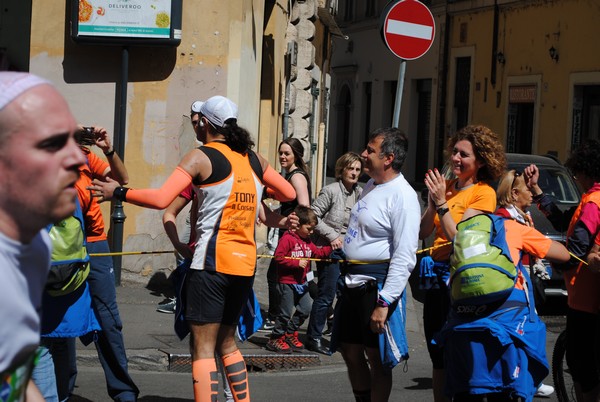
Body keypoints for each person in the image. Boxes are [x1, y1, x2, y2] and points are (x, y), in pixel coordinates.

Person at [89, 95, 296, 402]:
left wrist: (118, 190)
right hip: (245, 265)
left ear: (208, 124)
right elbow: (288, 191)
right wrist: (255, 191)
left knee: (202, 347)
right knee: (227, 342)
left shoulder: (201, 157)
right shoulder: (253, 159)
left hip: (211, 264)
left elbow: (162, 200)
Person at [0, 72, 86, 401]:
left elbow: (14, 377)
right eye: (52, 143)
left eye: (74, 139)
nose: (78, 158)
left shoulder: (35, 247)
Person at [434, 210, 570, 401]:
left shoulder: (463, 234)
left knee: (468, 390)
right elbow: (563, 255)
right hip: (506, 322)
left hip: (464, 324)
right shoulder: (512, 227)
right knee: (506, 390)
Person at [330, 127, 420, 402]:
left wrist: (385, 302)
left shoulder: (403, 197)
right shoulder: (371, 185)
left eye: (371, 150)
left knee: (377, 358)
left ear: (389, 158)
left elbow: (405, 256)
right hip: (350, 281)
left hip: (376, 285)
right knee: (349, 350)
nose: (364, 154)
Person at [419, 124, 506, 402]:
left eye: (464, 154)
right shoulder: (445, 188)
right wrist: (433, 204)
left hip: (462, 280)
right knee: (437, 353)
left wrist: (442, 204)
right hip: (435, 277)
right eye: (454, 152)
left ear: (480, 161)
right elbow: (422, 232)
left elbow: (461, 239)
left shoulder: (484, 193)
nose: (456, 158)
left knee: (458, 350)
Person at [525, 140, 600, 402]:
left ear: (585, 170)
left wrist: (546, 253)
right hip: (588, 299)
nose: (576, 178)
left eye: (577, 172)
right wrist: (536, 190)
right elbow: (567, 220)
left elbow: (575, 251)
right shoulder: (593, 199)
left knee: (584, 371)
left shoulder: (594, 202)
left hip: (586, 302)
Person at [73, 125, 139, 402]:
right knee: (62, 321)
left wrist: (107, 149)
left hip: (95, 244)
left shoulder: (86, 156)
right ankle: (60, 388)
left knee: (108, 319)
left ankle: (123, 390)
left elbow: (122, 179)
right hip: (61, 248)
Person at [495, 169, 555, 398]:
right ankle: (522, 378)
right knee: (522, 331)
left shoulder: (521, 214)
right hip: (513, 284)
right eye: (527, 189)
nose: (531, 192)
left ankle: (527, 376)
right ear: (514, 193)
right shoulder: (506, 217)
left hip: (524, 279)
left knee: (528, 328)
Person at [305, 152, 363, 355]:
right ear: (342, 170)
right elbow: (312, 215)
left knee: (345, 296)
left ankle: (339, 336)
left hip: (350, 252)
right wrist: (331, 236)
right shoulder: (330, 191)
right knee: (326, 295)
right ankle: (313, 337)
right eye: (351, 168)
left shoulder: (360, 193)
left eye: (357, 169)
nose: (354, 173)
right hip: (330, 250)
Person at [266, 206, 332, 353]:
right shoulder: (288, 239)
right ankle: (275, 338)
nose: (311, 232)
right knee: (285, 313)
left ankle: (289, 333)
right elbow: (278, 257)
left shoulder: (308, 241)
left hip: (302, 283)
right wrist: (296, 263)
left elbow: (317, 253)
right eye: (309, 228)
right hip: (287, 283)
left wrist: (331, 248)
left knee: (305, 309)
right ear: (299, 225)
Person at [262, 137, 312, 331]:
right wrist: (271, 215)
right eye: (281, 152)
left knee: (276, 275)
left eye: (287, 153)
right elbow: (288, 207)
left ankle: (276, 317)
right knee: (289, 275)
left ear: (295, 156)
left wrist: (295, 231)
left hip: (291, 235)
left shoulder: (296, 176)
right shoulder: (290, 174)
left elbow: (304, 206)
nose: (282, 156)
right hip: (288, 231)